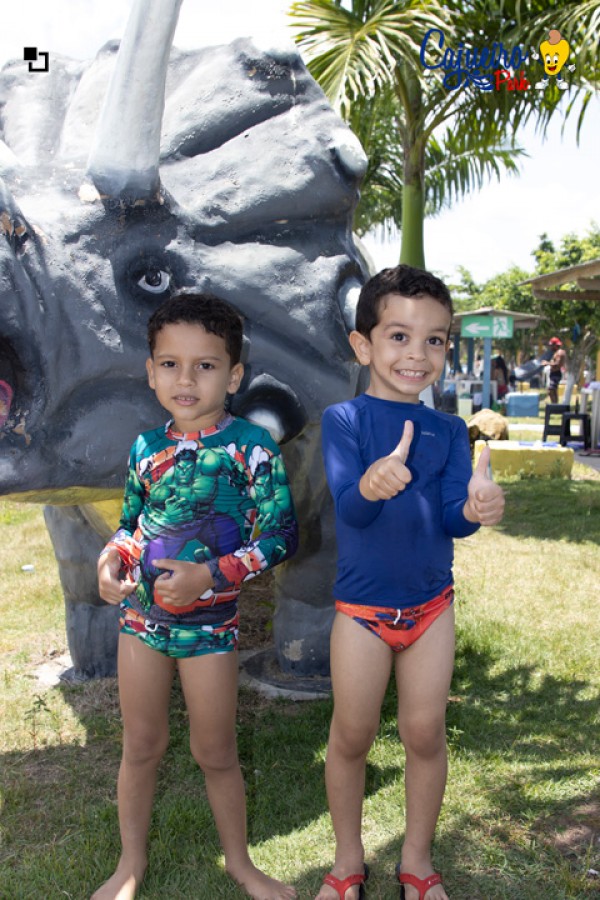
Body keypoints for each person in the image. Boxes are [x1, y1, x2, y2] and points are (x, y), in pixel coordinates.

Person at [94, 292, 298, 900]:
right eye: (170, 363)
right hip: (141, 624)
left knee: (215, 751)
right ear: (151, 370)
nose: (186, 379)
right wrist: (114, 559)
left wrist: (213, 576)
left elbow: (281, 534)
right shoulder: (144, 449)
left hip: (211, 630)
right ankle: (130, 865)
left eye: (205, 365)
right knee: (141, 745)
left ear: (233, 376)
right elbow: (132, 524)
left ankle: (240, 863)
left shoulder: (252, 447)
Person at [318, 265, 505, 900]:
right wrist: (370, 483)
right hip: (361, 613)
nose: (418, 354)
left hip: (431, 609)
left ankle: (417, 862)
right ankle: (347, 862)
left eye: (435, 340)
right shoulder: (343, 419)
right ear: (363, 345)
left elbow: (453, 519)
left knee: (425, 734)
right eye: (399, 336)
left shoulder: (451, 430)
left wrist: (476, 506)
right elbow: (351, 508)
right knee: (352, 734)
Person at [544, 337, 566, 403]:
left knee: (551, 389)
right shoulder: (556, 352)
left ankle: (555, 404)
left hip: (556, 373)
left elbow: (557, 363)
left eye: (551, 345)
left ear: (555, 345)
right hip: (554, 373)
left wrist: (547, 363)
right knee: (553, 390)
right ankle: (555, 405)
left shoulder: (559, 353)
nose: (550, 347)